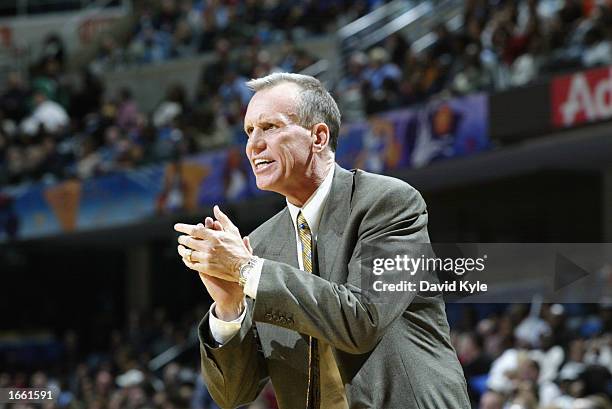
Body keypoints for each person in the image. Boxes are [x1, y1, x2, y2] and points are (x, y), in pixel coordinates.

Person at [174, 73, 470, 409]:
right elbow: (233, 395)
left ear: (318, 136)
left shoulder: (389, 204)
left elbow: (362, 321)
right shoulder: (261, 246)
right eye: (249, 131)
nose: (253, 144)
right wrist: (230, 308)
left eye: (269, 127)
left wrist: (246, 269)